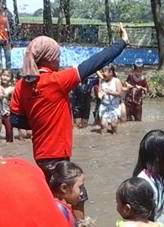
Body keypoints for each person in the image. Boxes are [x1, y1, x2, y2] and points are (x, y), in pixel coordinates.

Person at [11, 25, 129, 179]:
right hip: (58, 154)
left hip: (39, 154)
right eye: (57, 56)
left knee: (53, 195)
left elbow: (16, 119)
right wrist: (122, 42)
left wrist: (41, 121)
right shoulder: (57, 80)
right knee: (76, 195)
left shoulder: (21, 84)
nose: (59, 60)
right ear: (50, 58)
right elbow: (95, 62)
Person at [95, 65, 123, 135]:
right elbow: (99, 91)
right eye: (102, 72)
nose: (102, 73)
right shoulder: (101, 81)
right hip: (104, 106)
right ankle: (102, 142)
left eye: (104, 72)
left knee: (114, 126)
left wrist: (110, 92)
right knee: (103, 125)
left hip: (114, 107)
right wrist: (100, 95)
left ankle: (115, 139)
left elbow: (119, 93)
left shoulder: (116, 81)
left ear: (111, 73)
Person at [0, 69, 17, 142]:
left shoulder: (12, 88)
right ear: (0, 76)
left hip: (7, 113)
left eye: (8, 76)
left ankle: (9, 144)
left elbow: (5, 94)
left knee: (9, 131)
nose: (5, 77)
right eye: (3, 75)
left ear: (11, 78)